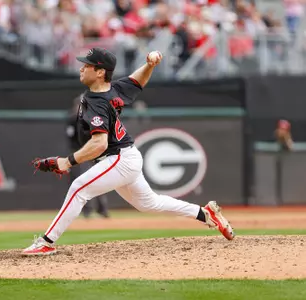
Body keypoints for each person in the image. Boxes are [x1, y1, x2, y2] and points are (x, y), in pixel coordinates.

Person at [23, 48, 235, 256]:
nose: (81, 69)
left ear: (99, 72)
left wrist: (67, 162)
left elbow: (99, 144)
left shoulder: (98, 101)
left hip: (118, 159)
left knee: (78, 189)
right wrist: (150, 65)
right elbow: (137, 81)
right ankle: (205, 213)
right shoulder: (112, 90)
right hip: (125, 157)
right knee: (149, 203)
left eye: (86, 65)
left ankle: (47, 242)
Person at [66, 95, 110, 219]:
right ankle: (87, 210)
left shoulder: (93, 117)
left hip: (94, 151)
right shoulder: (72, 119)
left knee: (98, 179)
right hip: (80, 153)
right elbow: (71, 139)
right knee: (82, 180)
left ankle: (102, 209)